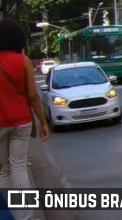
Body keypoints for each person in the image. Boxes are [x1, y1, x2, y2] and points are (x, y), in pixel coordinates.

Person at [0, 18, 49, 220]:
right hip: (21, 121)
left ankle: (6, 213)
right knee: (19, 167)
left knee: (3, 169)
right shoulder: (24, 61)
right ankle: (26, 215)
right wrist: (43, 122)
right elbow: (33, 96)